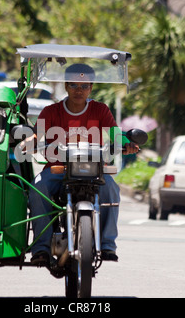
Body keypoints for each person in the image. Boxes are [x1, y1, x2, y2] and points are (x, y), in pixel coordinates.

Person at [23, 64, 139, 265]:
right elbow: (37, 134)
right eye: (74, 84)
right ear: (66, 86)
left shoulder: (100, 110)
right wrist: (29, 142)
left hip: (93, 169)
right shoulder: (51, 111)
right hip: (58, 169)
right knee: (37, 187)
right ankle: (41, 248)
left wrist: (126, 143)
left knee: (111, 188)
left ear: (91, 88)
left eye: (84, 86)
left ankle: (107, 244)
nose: (79, 90)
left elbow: (114, 133)